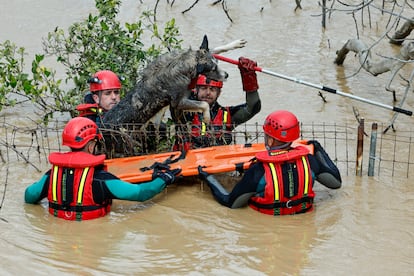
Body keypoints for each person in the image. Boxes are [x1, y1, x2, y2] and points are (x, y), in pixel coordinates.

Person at [24, 117, 181, 221]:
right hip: (92, 240)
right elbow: (141, 194)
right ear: (92, 145)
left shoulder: (52, 175)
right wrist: (164, 179)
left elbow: (29, 196)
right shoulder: (101, 179)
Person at [198, 110, 342, 216]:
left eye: (266, 136)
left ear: (271, 140)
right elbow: (336, 182)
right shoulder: (310, 161)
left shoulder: (258, 171)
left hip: (268, 227)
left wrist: (209, 178)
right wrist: (318, 148)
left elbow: (231, 203)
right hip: (303, 222)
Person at [174, 57, 261, 150]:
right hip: (188, 162)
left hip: (218, 162)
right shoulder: (183, 111)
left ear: (219, 93)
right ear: (196, 90)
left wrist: (248, 76)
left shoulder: (227, 115)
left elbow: (253, 107)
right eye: (203, 88)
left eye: (212, 89)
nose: (208, 93)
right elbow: (174, 95)